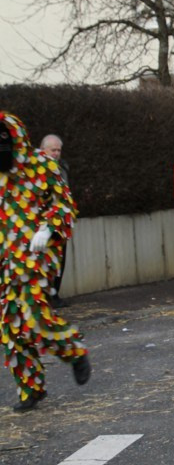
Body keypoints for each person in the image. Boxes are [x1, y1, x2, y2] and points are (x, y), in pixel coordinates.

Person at [0, 112, 91, 412]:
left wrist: (49, 226)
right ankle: (31, 388)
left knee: (35, 319)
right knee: (12, 329)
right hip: (6, 263)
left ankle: (73, 349)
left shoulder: (42, 165)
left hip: (38, 257)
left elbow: (64, 205)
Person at [39, 134, 71, 307]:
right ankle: (44, 296)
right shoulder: (36, 167)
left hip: (61, 220)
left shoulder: (63, 167)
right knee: (45, 260)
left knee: (60, 259)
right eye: (53, 150)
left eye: (59, 150)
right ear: (43, 149)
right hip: (44, 222)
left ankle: (55, 294)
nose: (57, 153)